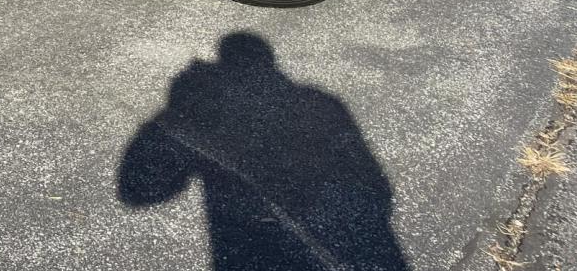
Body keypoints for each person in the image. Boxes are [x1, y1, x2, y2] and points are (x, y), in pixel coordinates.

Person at [118, 32, 409, 270]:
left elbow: (140, 193)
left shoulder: (320, 103)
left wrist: (172, 115)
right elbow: (373, 184)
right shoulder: (322, 101)